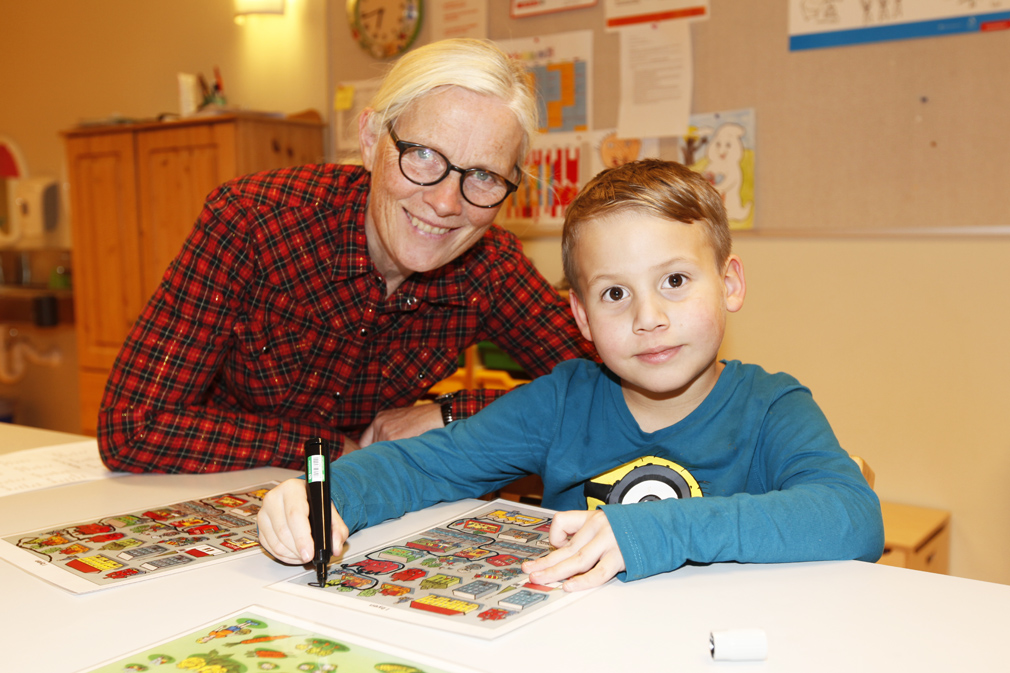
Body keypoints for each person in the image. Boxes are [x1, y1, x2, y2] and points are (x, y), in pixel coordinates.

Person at [257, 159, 884, 590]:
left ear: (729, 284)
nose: (648, 319)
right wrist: (330, 494)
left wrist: (658, 531)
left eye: (674, 281)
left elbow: (852, 517)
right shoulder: (562, 400)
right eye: (615, 295)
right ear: (581, 316)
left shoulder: (773, 405)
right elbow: (426, 464)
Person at [97, 39, 596, 474]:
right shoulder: (252, 222)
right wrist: (323, 448)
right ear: (371, 140)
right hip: (220, 487)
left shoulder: (489, 267)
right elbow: (131, 428)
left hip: (365, 507)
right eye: (423, 155)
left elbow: (612, 386)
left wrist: (451, 412)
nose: (446, 202)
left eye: (484, 175)